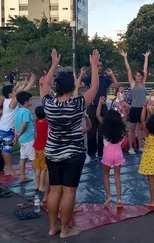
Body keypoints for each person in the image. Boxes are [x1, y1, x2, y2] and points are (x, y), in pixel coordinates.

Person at [41, 49, 100, 238]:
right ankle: (65, 230)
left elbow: (44, 86)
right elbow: (94, 89)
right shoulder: (77, 104)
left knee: (55, 191)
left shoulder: (48, 103)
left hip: (52, 152)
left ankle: (52, 227)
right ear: (70, 86)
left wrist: (53, 65)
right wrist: (93, 66)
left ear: (57, 87)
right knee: (68, 192)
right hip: (73, 154)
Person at [0, 74, 35, 176]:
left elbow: (21, 93)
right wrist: (27, 83)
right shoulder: (11, 102)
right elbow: (21, 93)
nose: (16, 91)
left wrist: (28, 83)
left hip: (2, 128)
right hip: (6, 129)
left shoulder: (8, 100)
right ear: (10, 94)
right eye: (14, 91)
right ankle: (9, 168)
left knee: (5, 148)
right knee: (7, 149)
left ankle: (7, 166)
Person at [80, 62, 118, 161]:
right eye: (97, 65)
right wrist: (81, 74)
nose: (99, 67)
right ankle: (91, 153)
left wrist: (112, 74)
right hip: (92, 107)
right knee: (91, 131)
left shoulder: (105, 78)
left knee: (102, 131)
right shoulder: (90, 78)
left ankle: (101, 153)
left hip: (102, 106)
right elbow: (79, 85)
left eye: (100, 66)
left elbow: (115, 85)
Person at [96, 97, 126, 208]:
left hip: (107, 154)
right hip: (118, 153)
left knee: (105, 175)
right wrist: (121, 108)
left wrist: (99, 104)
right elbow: (125, 117)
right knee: (117, 176)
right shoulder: (120, 126)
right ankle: (119, 199)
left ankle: (109, 196)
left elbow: (98, 115)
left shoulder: (105, 126)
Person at [119, 49, 151, 154]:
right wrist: (125, 57)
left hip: (143, 109)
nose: (139, 76)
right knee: (132, 129)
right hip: (134, 108)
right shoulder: (133, 83)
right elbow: (128, 70)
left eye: (140, 75)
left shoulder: (144, 83)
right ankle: (131, 148)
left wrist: (146, 57)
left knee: (141, 128)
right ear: (135, 76)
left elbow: (145, 69)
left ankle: (140, 146)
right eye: (137, 75)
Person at [14, 91, 35, 183]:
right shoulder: (26, 112)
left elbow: (15, 125)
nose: (31, 101)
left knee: (23, 158)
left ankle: (22, 176)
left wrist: (16, 136)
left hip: (22, 140)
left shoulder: (18, 111)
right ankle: (38, 178)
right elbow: (25, 124)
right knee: (33, 158)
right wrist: (19, 134)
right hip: (28, 139)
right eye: (30, 100)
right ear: (26, 101)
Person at [34, 105, 49, 200]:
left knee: (38, 167)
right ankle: (42, 186)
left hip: (36, 146)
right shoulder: (46, 123)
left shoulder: (36, 121)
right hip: (43, 147)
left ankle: (37, 185)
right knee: (44, 168)